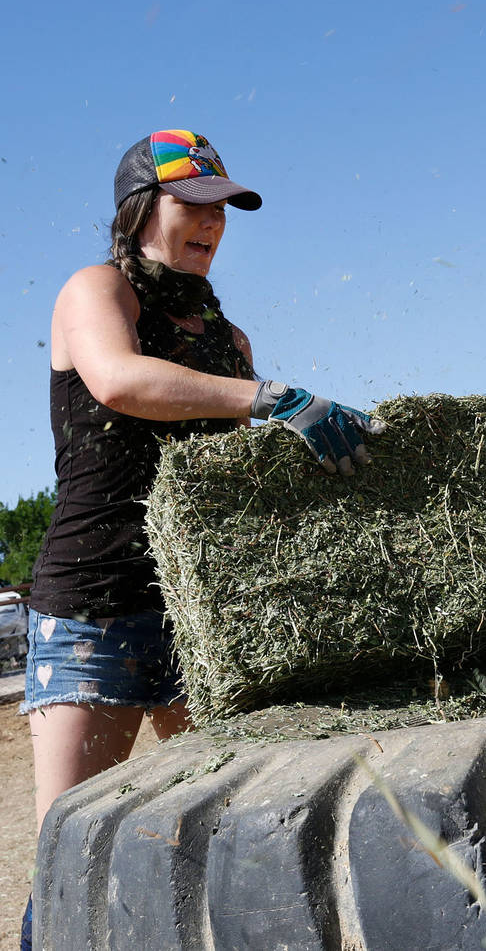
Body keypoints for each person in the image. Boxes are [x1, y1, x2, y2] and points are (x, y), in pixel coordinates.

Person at [19, 129, 382, 951]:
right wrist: (270, 398)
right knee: (71, 855)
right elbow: (120, 379)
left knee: (232, 831)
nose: (215, 223)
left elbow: (242, 468)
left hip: (203, 619)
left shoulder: (232, 342)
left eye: (225, 209)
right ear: (142, 208)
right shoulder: (97, 291)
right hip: (92, 611)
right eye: (196, 204)